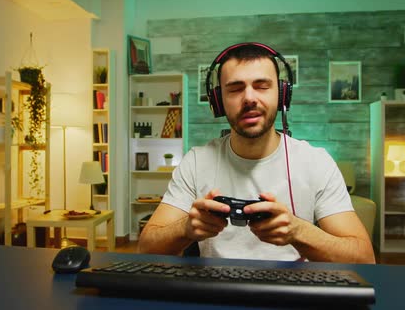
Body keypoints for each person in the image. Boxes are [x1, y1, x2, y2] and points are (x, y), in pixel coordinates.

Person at [138, 42, 375, 263]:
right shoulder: (197, 161)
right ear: (219, 101)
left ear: (282, 95)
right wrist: (185, 229)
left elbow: (365, 258)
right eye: (235, 89)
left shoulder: (316, 162)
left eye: (262, 86)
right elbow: (147, 248)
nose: (249, 98)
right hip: (215, 295)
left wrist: (298, 231)